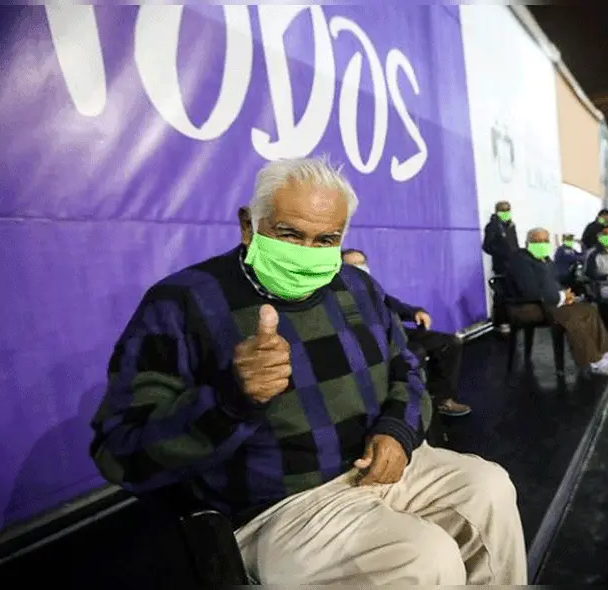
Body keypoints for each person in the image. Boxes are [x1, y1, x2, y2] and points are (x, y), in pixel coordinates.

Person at [90, 157, 525, 585]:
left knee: (490, 487)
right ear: (249, 225)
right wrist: (228, 401)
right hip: (280, 505)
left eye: (326, 239)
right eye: (289, 234)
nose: (307, 253)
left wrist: (398, 431)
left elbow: (406, 368)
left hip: (383, 467)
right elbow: (121, 451)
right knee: (427, 558)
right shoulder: (180, 303)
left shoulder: (358, 287)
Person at [341, 248, 472, 417]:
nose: (359, 268)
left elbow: (392, 303)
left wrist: (415, 312)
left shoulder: (371, 287)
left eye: (362, 263)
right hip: (371, 338)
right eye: (353, 264)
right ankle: (411, 407)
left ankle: (442, 399)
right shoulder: (340, 294)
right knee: (416, 352)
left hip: (394, 330)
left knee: (450, 343)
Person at [503, 228, 608, 377]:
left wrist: (566, 295)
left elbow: (554, 283)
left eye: (545, 240)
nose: (542, 244)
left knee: (587, 309)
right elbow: (530, 291)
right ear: (527, 243)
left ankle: (603, 354)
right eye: (537, 241)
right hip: (526, 306)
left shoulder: (545, 260)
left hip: (548, 303)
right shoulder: (520, 260)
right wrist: (561, 297)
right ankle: (595, 362)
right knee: (571, 315)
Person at [482, 200, 519, 277]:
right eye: (503, 210)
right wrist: (502, 252)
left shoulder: (511, 226)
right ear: (497, 211)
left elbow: (515, 244)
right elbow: (487, 246)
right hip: (501, 266)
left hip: (514, 265)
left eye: (507, 210)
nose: (505, 212)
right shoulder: (492, 226)